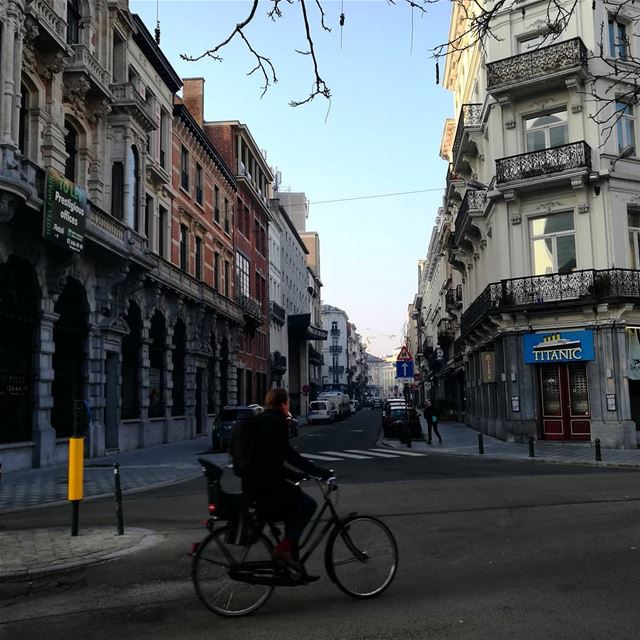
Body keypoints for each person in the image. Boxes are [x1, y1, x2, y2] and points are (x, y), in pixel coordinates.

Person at [240, 388, 333, 578]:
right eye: (288, 403)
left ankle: (293, 561)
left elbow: (270, 458)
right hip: (266, 487)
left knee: (293, 508)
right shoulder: (277, 422)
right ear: (283, 404)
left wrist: (293, 475)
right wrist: (319, 472)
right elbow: (288, 454)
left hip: (253, 484)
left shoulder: (260, 421)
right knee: (308, 505)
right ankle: (284, 551)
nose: (288, 406)